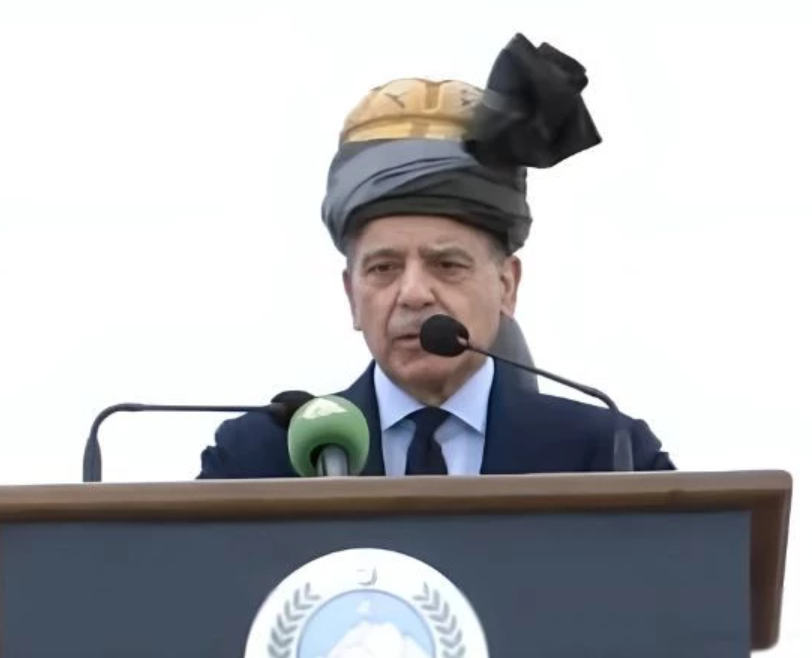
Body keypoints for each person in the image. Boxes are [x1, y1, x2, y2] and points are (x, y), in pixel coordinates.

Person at [198, 34, 675, 479]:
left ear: (507, 285)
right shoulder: (257, 458)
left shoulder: (606, 454)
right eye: (383, 269)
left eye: (447, 265)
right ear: (351, 296)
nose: (412, 294)